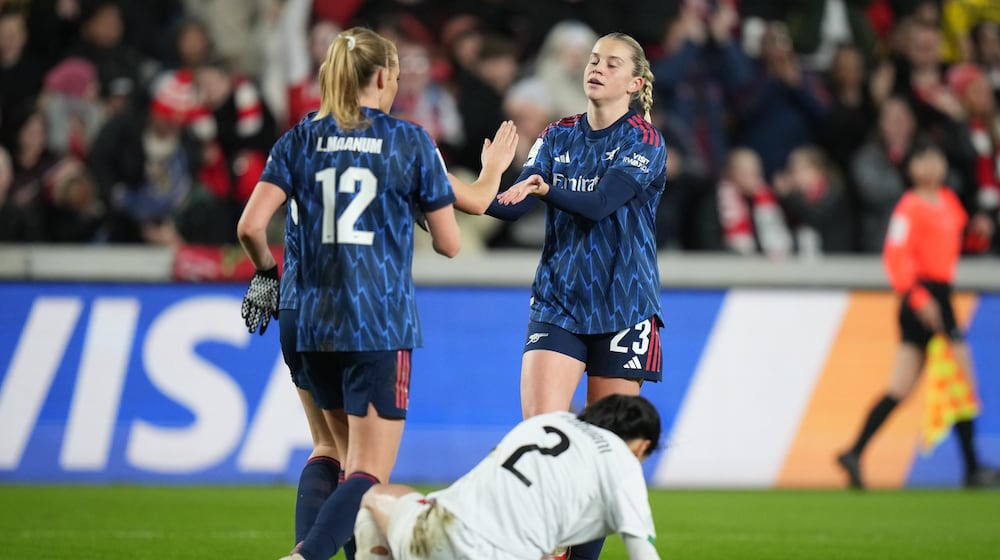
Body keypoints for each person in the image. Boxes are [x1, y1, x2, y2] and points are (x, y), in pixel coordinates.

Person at [237, 27, 517, 560]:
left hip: (304, 310)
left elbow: (251, 226)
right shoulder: (409, 141)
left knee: (328, 449)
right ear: (385, 77)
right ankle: (305, 556)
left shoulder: (299, 137)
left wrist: (266, 274)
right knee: (367, 471)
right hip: (375, 318)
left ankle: (310, 548)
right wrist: (489, 174)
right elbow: (453, 243)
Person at [455, 32, 667, 560]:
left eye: (611, 63)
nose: (597, 67)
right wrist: (475, 182)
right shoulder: (559, 134)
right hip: (560, 302)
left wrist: (547, 188)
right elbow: (507, 206)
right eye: (594, 59)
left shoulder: (644, 140)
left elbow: (598, 204)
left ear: (634, 82)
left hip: (623, 307)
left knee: (603, 451)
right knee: (539, 438)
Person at [836, 144, 999, 490]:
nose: (933, 164)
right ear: (912, 168)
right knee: (962, 380)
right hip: (924, 296)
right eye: (924, 158)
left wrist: (978, 235)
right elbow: (895, 256)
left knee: (901, 387)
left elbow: (959, 245)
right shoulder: (909, 207)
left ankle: (855, 450)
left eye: (937, 157)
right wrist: (918, 297)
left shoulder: (949, 203)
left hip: (939, 291)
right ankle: (973, 468)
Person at [354, 394, 663, 560]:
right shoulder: (623, 463)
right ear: (643, 446)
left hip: (439, 533)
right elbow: (643, 552)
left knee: (377, 497)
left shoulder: (549, 421)